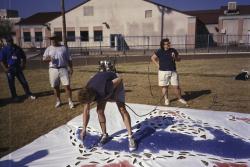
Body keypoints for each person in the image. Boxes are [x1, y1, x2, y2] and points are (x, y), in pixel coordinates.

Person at [77, 71, 137, 151]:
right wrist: (84, 128)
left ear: (92, 98)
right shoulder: (87, 92)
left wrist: (115, 95)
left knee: (122, 109)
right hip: (102, 86)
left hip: (116, 84)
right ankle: (105, 135)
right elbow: (86, 111)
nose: (88, 104)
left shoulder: (104, 88)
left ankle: (130, 137)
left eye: (89, 102)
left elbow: (120, 79)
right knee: (99, 111)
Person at [151, 38, 187, 106]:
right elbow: (152, 58)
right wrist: (158, 65)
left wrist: (175, 58)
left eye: (169, 43)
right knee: (164, 86)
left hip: (173, 71)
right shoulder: (159, 51)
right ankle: (166, 99)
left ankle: (180, 98)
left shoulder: (173, 50)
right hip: (163, 72)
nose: (168, 45)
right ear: (163, 45)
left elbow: (179, 59)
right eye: (167, 44)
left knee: (176, 86)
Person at [42, 34, 74, 109]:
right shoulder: (49, 49)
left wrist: (71, 68)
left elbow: (69, 59)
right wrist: (49, 59)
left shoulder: (64, 48)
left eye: (54, 39)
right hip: (53, 69)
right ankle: (58, 101)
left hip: (63, 69)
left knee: (67, 86)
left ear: (58, 39)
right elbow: (44, 59)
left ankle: (70, 101)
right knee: (55, 87)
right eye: (52, 39)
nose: (53, 40)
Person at [0, 36, 36, 102]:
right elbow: (1, 60)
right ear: (6, 42)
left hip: (18, 68)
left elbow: (24, 56)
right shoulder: (4, 49)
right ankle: (14, 96)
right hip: (10, 69)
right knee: (11, 83)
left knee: (24, 81)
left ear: (12, 41)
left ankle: (28, 94)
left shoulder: (17, 48)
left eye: (11, 41)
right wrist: (5, 68)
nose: (10, 42)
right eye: (8, 41)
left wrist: (23, 64)